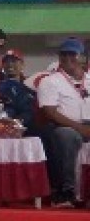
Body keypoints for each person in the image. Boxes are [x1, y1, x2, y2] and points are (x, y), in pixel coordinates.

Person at [34, 38, 89, 207]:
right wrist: (80, 128)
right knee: (67, 135)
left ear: (83, 58)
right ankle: (65, 191)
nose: (67, 58)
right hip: (63, 127)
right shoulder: (50, 81)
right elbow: (50, 112)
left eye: (72, 54)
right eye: (63, 54)